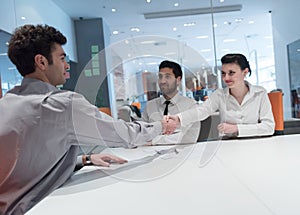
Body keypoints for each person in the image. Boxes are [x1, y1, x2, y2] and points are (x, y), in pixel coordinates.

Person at [0, 24, 168, 215]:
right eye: (62, 58)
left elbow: (25, 162)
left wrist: (83, 160)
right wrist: (161, 126)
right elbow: (126, 136)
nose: (67, 65)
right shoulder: (62, 105)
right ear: (42, 62)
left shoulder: (7, 103)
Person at [167, 53, 275, 138]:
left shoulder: (260, 93)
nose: (226, 78)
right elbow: (202, 111)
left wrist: (236, 128)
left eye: (231, 73)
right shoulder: (219, 95)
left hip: (258, 145)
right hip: (229, 146)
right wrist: (179, 118)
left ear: (245, 72)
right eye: (223, 73)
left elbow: (269, 127)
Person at [142, 60, 201, 144]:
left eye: (167, 77)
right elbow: (143, 135)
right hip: (151, 153)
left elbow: (189, 137)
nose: (162, 81)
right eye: (160, 76)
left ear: (178, 80)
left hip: (183, 153)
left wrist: (154, 141)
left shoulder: (191, 105)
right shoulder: (149, 106)